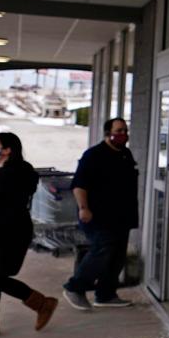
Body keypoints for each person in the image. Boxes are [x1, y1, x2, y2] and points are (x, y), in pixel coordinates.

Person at [0, 131, 58, 334]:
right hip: (3, 230)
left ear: (7, 150)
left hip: (6, 232)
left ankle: (42, 303)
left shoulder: (8, 174)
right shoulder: (18, 171)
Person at [62, 117, 139, 310]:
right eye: (119, 131)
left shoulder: (125, 154)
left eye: (125, 131)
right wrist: (83, 208)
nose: (123, 135)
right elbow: (79, 185)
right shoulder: (94, 156)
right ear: (107, 133)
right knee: (102, 250)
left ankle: (106, 294)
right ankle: (75, 287)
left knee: (117, 256)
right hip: (98, 215)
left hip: (122, 216)